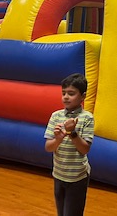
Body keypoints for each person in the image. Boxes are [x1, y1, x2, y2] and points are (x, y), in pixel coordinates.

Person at [44, 73, 94, 216]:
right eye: (63, 93)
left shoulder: (87, 118)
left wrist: (72, 133)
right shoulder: (56, 116)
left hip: (77, 177)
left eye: (71, 93)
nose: (66, 97)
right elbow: (48, 147)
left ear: (83, 96)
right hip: (59, 174)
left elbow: (84, 149)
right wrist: (58, 138)